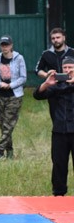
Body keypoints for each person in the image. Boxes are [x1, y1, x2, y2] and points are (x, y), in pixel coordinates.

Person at [33, 56, 74, 196]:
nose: (68, 71)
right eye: (66, 68)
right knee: (59, 164)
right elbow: (37, 95)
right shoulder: (56, 86)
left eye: (71, 68)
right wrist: (46, 83)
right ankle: (58, 194)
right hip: (60, 131)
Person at [0, 35, 26, 160]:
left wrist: (11, 85)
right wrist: (0, 84)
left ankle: (0, 151)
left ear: (11, 46)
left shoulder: (19, 58)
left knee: (9, 124)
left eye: (7, 45)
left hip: (14, 96)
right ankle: (9, 151)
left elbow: (23, 77)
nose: (4, 47)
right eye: (2, 45)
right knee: (3, 125)